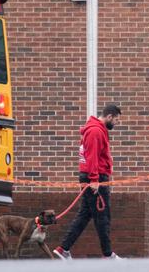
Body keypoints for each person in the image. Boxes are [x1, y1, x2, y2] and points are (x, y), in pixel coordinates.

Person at [52, 104, 123, 260]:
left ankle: (63, 249)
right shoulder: (95, 131)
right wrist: (94, 179)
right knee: (103, 216)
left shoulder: (96, 130)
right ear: (109, 117)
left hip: (93, 177)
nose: (116, 123)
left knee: (85, 215)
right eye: (116, 120)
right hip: (95, 179)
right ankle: (108, 255)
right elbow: (92, 157)